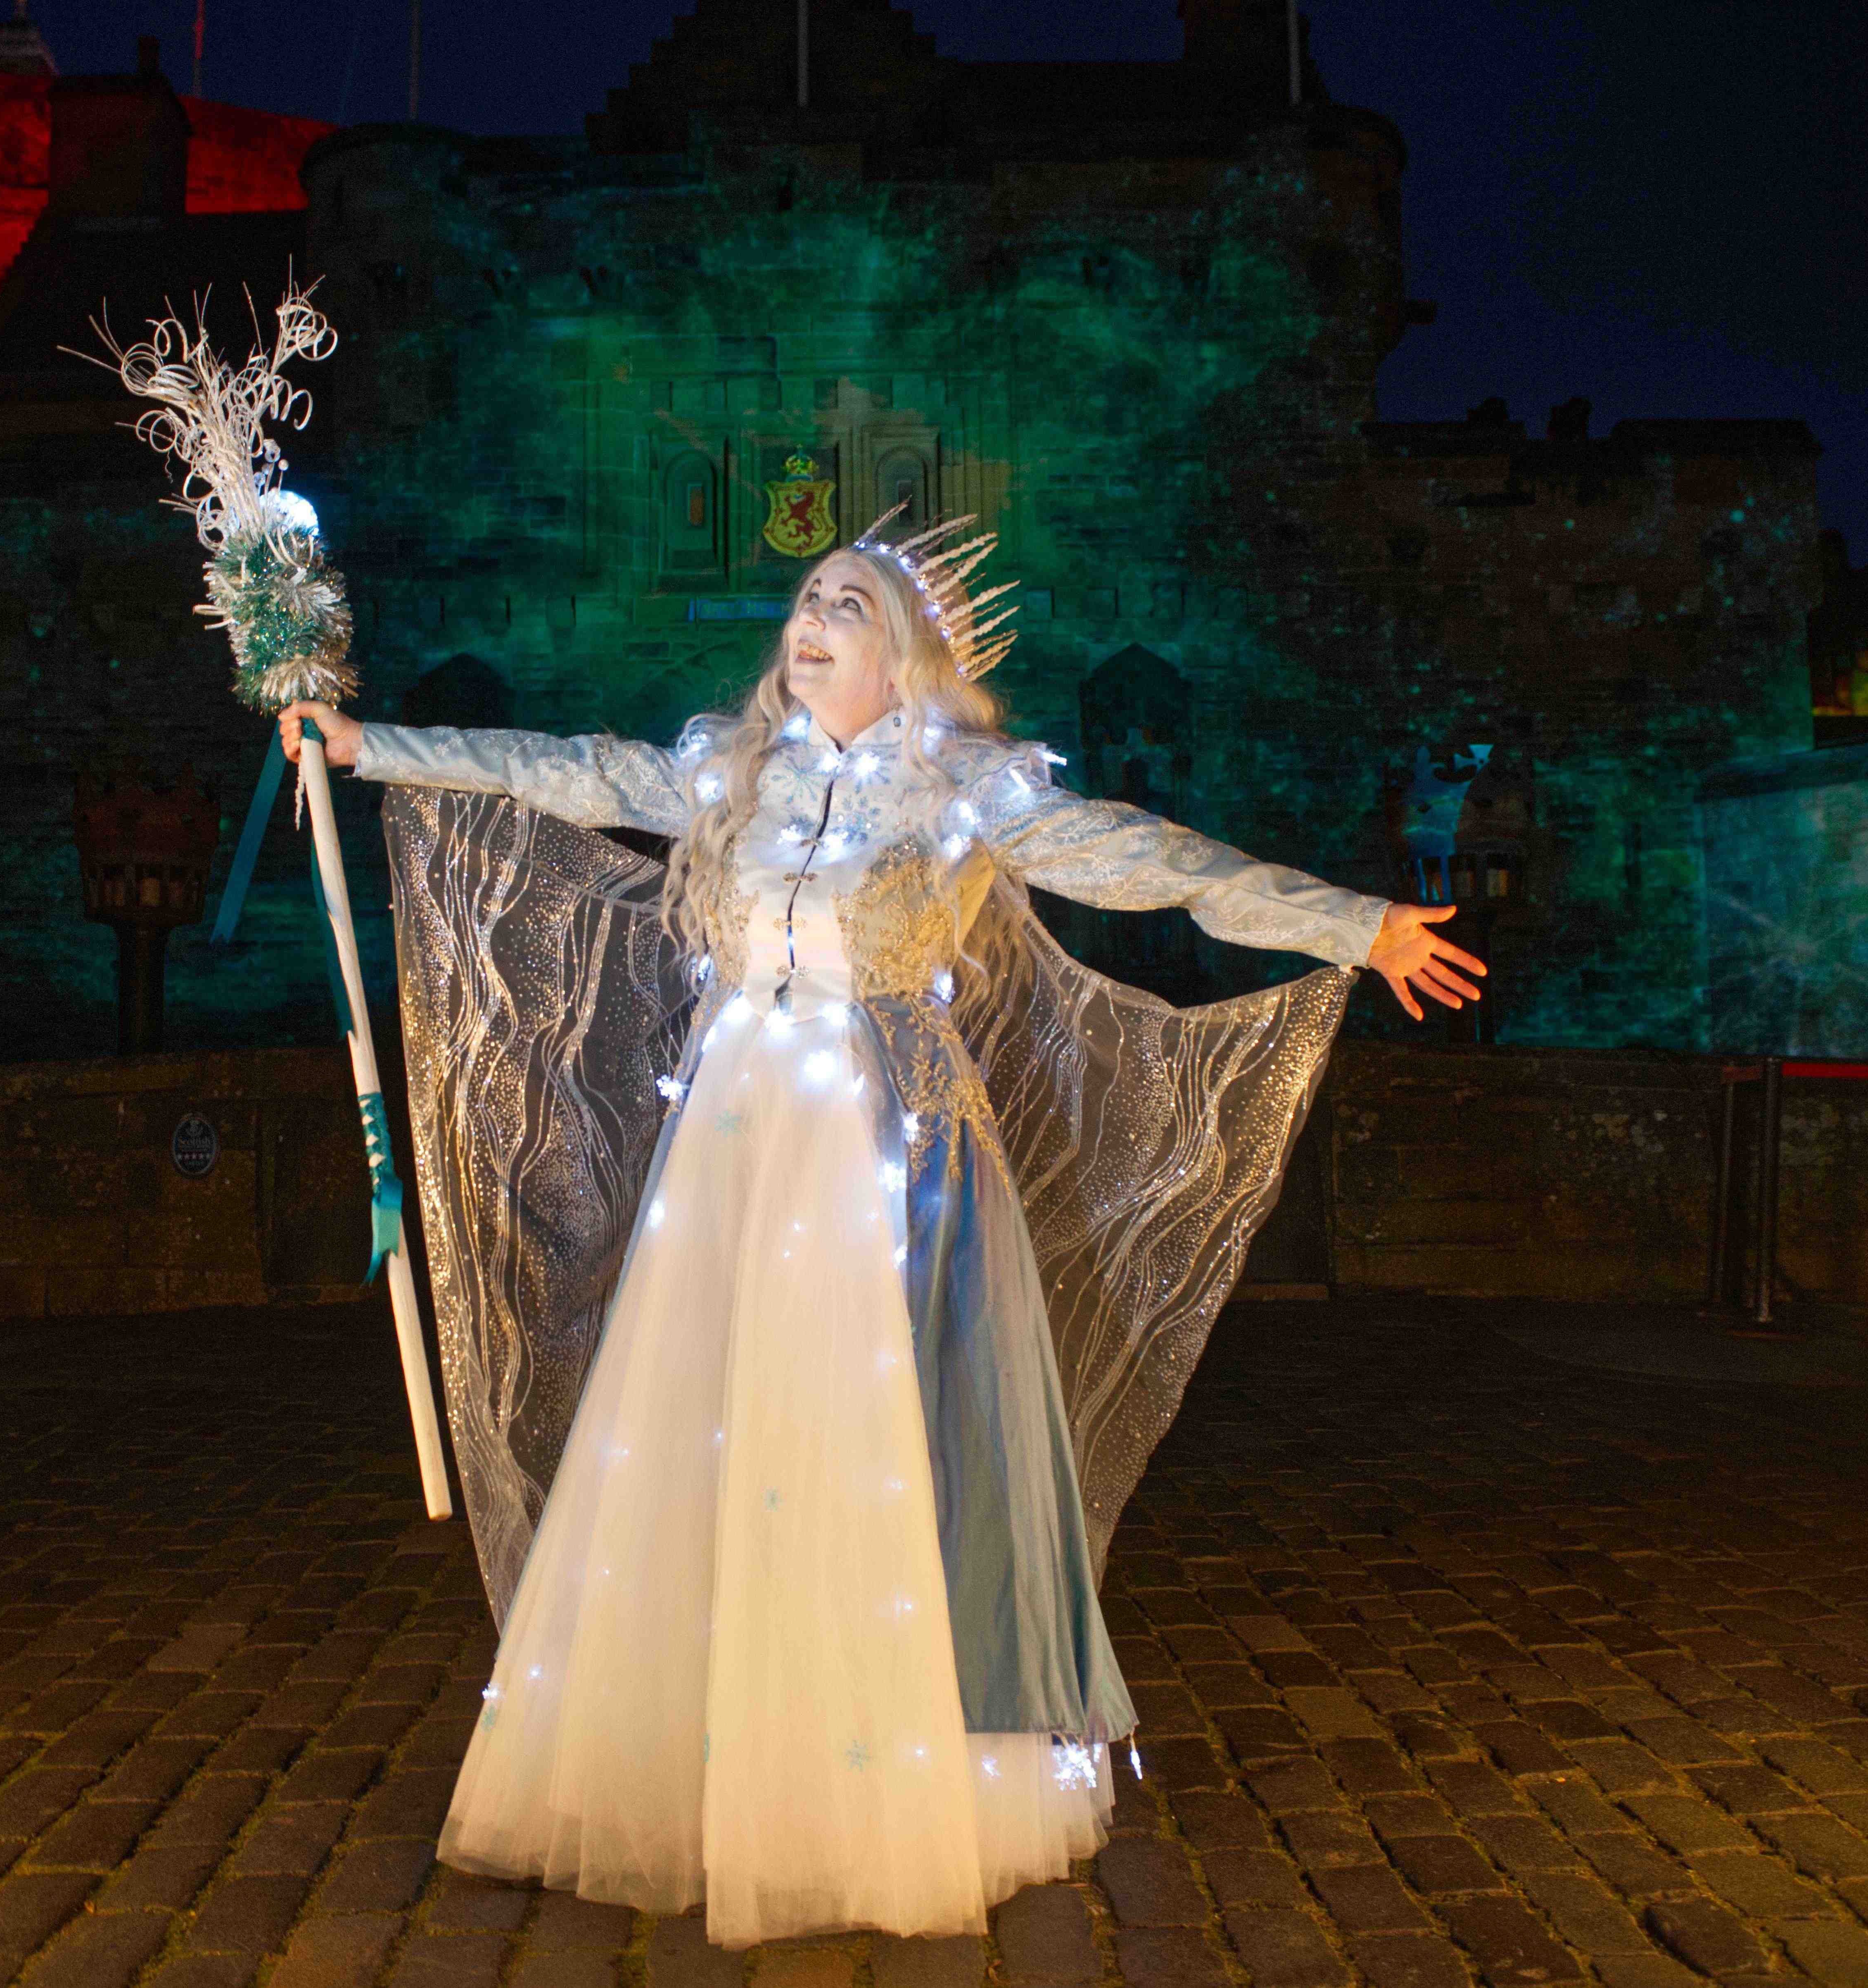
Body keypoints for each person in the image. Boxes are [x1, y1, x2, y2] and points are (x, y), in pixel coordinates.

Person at [276, 516, 1481, 1945]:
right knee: (711, 1432)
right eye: (806, 599)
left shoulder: (963, 791)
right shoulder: (734, 771)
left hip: (888, 1156)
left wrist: (1355, 925)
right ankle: (713, 1750)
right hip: (736, 1151)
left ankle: (879, 1768)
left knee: (874, 1448)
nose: (811, 619)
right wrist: (367, 747)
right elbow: (574, 769)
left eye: (847, 604)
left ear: (903, 656)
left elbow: (1148, 859)